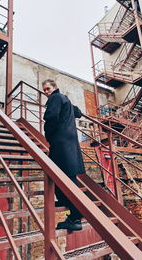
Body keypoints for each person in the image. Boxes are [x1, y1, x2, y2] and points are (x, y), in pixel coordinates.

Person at [42, 79, 85, 231]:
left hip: (60, 145)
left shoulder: (55, 98)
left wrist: (48, 134)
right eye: (44, 90)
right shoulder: (65, 100)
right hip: (70, 145)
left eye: (48, 89)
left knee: (58, 177)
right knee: (67, 178)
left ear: (55, 87)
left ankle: (75, 216)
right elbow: (78, 112)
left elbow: (51, 117)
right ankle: (70, 208)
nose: (46, 92)